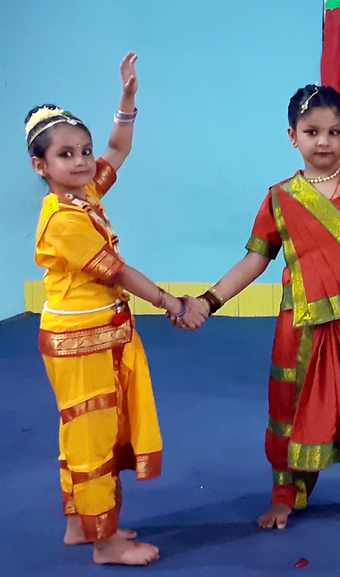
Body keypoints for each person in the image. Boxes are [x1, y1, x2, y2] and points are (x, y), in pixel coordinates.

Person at [181, 84, 340, 532]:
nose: (323, 141)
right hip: (300, 329)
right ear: (292, 136)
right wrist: (209, 300)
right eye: (312, 131)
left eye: (334, 132)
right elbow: (255, 259)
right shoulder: (280, 198)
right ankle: (287, 493)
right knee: (292, 409)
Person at [28, 53, 203, 565]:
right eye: (66, 154)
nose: (82, 161)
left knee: (83, 428)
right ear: (42, 167)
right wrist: (173, 303)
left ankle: (80, 527)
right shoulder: (64, 221)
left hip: (98, 334)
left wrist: (127, 99)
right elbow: (119, 272)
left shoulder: (81, 197)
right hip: (81, 341)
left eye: (82, 151)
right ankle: (104, 543)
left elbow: (117, 148)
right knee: (91, 434)